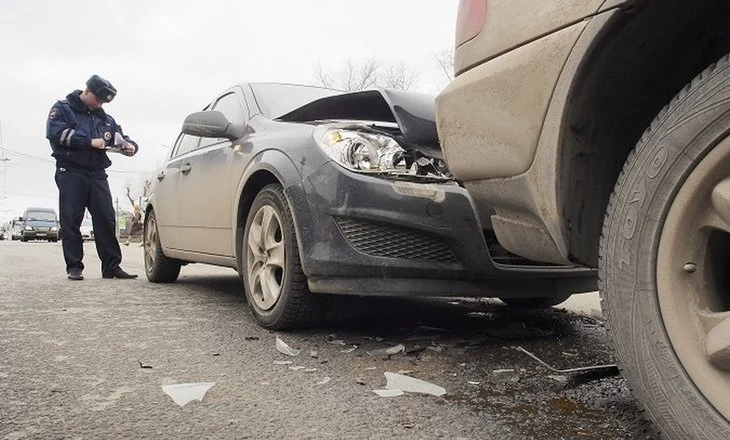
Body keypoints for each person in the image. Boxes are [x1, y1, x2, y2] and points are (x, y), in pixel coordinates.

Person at [46, 74, 139, 280]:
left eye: (102, 102)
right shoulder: (62, 109)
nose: (99, 104)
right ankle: (74, 267)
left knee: (106, 219)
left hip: (97, 173)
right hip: (70, 171)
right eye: (97, 100)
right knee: (72, 220)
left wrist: (129, 146)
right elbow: (56, 134)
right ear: (86, 92)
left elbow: (119, 136)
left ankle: (111, 266)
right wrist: (89, 142)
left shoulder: (104, 118)